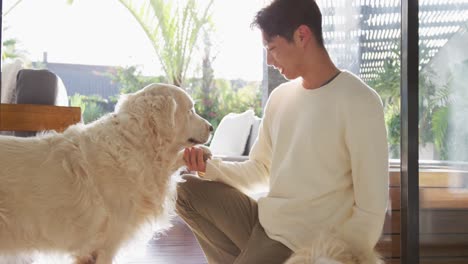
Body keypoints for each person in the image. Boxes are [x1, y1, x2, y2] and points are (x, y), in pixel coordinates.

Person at [176, 0, 389, 263]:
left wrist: (332, 258)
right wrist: (209, 167)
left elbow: (371, 210)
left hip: (305, 245)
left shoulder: (359, 101)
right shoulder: (280, 98)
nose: (269, 60)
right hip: (265, 224)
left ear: (302, 36)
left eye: (272, 48)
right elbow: (260, 169)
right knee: (183, 190)